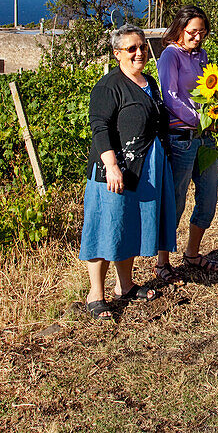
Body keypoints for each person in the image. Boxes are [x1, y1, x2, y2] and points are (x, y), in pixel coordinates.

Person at [79, 25, 175, 320]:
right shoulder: (109, 86)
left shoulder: (149, 82)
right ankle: (95, 294)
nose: (139, 53)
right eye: (131, 48)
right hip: (114, 172)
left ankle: (125, 285)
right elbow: (100, 128)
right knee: (104, 228)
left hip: (143, 169)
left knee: (128, 226)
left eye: (142, 47)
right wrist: (111, 166)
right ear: (117, 53)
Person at [156, 5, 218, 281]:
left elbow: (209, 90)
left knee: (208, 198)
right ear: (180, 28)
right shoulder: (170, 55)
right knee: (176, 201)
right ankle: (162, 262)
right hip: (182, 138)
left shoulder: (202, 55)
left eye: (202, 32)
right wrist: (198, 118)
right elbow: (170, 97)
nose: (198, 38)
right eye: (193, 32)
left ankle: (192, 253)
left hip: (205, 137)